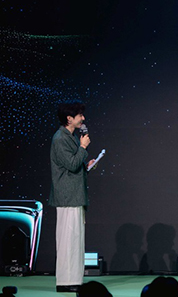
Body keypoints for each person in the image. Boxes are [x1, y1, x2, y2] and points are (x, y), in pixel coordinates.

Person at [50, 102, 96, 292]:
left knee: (75, 239)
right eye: (80, 115)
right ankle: (65, 281)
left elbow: (74, 166)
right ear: (69, 118)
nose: (83, 118)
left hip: (75, 195)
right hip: (67, 196)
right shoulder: (60, 138)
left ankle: (74, 280)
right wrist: (83, 147)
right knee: (68, 239)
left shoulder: (71, 137)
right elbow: (71, 164)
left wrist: (87, 166)